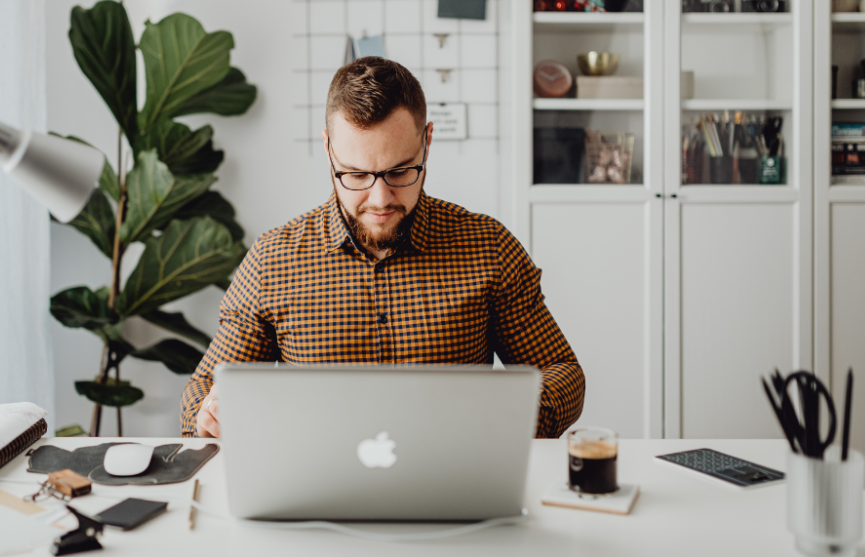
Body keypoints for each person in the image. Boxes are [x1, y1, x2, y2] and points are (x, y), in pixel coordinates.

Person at [181, 56, 584, 438]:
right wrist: (210, 415)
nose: (380, 199)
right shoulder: (273, 261)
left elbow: (561, 370)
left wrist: (515, 416)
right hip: (315, 497)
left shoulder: (488, 247)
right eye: (355, 174)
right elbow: (203, 391)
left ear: (426, 142)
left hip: (454, 490)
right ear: (327, 150)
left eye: (399, 171)